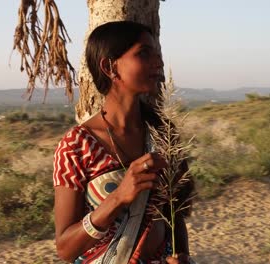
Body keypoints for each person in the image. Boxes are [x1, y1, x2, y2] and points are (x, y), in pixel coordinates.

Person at [53, 21, 194, 264]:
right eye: (144, 53)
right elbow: (65, 249)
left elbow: (175, 214)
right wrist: (118, 197)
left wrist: (183, 257)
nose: (158, 63)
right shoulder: (77, 145)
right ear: (109, 66)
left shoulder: (162, 133)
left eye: (158, 54)